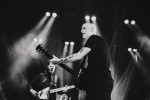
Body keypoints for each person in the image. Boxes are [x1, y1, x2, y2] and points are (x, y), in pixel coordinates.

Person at [49, 22, 113, 100]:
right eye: (81, 28)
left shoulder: (94, 38)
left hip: (100, 82)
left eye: (84, 28)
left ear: (92, 29)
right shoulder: (96, 42)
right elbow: (78, 55)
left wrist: (59, 61)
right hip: (97, 82)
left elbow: (78, 56)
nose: (81, 30)